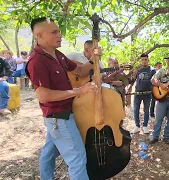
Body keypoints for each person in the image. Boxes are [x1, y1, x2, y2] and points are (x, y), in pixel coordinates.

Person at [26, 17, 100, 180]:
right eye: (54, 32)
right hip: (59, 118)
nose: (60, 35)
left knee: (48, 154)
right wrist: (78, 91)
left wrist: (93, 58)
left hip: (59, 117)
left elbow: (80, 70)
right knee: (77, 160)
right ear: (39, 35)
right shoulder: (36, 60)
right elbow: (43, 96)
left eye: (59, 31)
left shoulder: (57, 54)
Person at [149, 56, 169, 144]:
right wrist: (160, 84)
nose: (167, 62)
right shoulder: (161, 71)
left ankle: (166, 137)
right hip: (162, 99)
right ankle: (155, 136)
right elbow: (153, 80)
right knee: (158, 118)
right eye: (167, 60)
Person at [131, 53, 156, 134]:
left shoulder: (152, 70)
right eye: (142, 60)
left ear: (148, 60)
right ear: (140, 60)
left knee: (146, 110)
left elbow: (155, 82)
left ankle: (145, 126)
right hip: (138, 93)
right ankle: (137, 126)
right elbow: (133, 80)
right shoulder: (137, 69)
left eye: (145, 59)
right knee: (136, 109)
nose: (144, 61)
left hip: (147, 93)